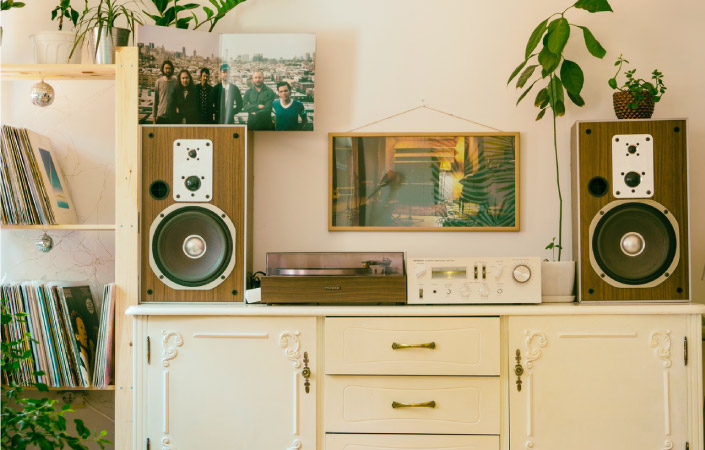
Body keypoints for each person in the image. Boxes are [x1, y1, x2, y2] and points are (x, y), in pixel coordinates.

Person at [153, 60, 177, 124]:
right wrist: (154, 117)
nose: (168, 70)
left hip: (172, 117)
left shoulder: (176, 82)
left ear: (172, 69)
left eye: (169, 68)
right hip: (161, 116)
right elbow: (155, 101)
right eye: (166, 68)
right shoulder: (158, 82)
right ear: (163, 69)